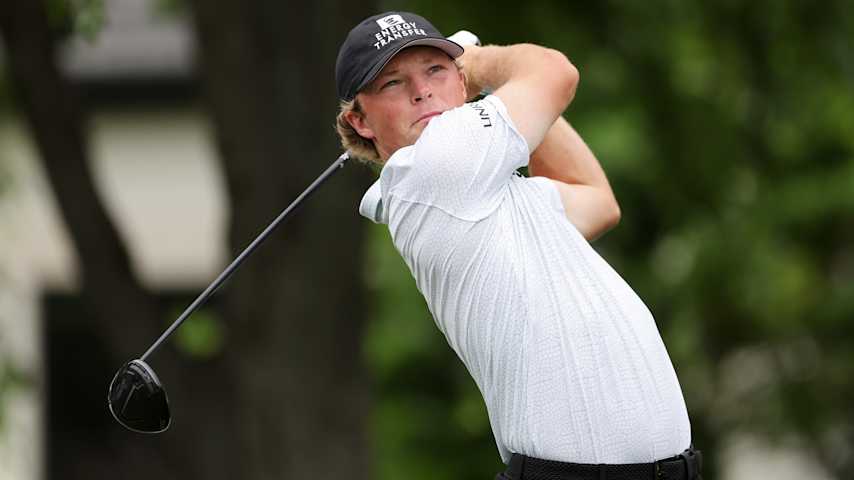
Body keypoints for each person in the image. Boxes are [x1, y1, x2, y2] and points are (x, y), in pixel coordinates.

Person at [335, 11, 702, 480]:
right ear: (359, 120)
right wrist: (479, 63)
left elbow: (596, 200)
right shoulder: (432, 168)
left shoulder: (488, 192)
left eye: (435, 69)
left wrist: (489, 90)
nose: (421, 90)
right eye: (392, 83)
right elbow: (556, 72)